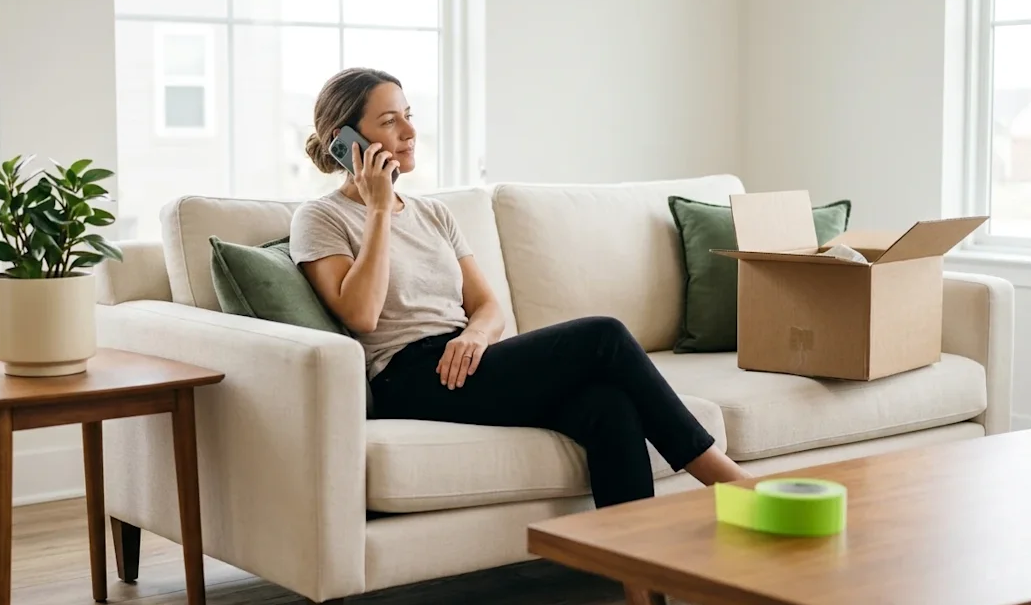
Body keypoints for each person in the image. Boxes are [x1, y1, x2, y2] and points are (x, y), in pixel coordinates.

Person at [290, 67, 750, 511]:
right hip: (404, 377)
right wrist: (377, 209)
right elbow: (362, 314)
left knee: (608, 405)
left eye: (409, 115)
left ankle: (632, 556)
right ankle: (729, 481)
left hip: (463, 359)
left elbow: (488, 306)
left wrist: (474, 335)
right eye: (390, 121)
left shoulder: (433, 214)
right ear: (344, 140)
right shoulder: (320, 218)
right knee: (603, 335)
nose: (410, 131)